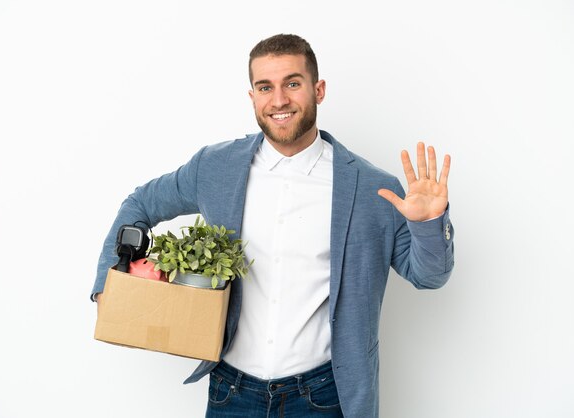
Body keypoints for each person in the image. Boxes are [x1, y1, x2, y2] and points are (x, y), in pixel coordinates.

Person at [92, 33, 454, 418]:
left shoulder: (371, 188)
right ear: (253, 97)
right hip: (231, 393)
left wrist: (429, 223)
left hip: (324, 396)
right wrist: (109, 288)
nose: (279, 100)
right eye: (265, 87)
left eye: (292, 84)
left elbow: (428, 276)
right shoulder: (215, 166)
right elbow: (140, 204)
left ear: (319, 89)